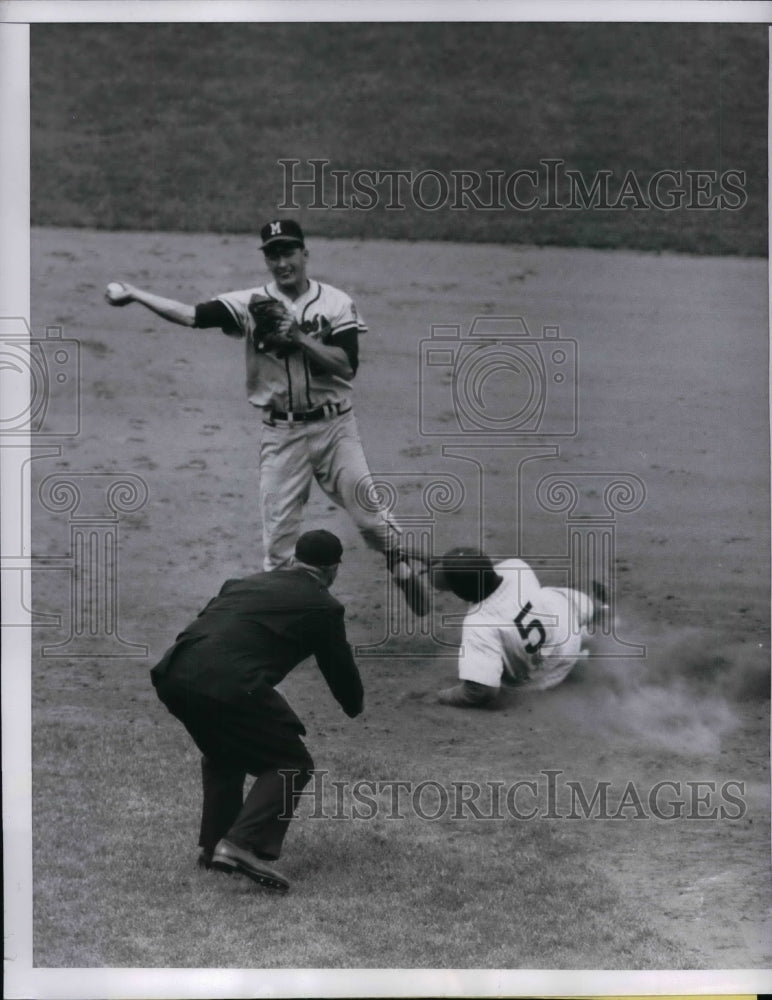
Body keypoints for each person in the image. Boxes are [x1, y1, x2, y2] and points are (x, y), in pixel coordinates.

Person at [106, 219, 429, 616]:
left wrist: (299, 338)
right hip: (282, 435)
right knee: (278, 545)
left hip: (335, 430)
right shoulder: (249, 303)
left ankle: (398, 561)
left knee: (372, 520)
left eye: (288, 252)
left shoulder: (337, 303)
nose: (281, 262)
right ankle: (288, 618)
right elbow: (191, 315)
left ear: (304, 254)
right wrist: (137, 294)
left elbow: (345, 367)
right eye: (273, 254)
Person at [150, 529, 363, 893]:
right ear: (332, 570)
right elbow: (338, 667)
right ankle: (238, 845)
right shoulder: (325, 606)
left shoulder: (243, 583)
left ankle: (214, 846)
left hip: (174, 672)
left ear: (295, 560)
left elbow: (213, 624)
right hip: (228, 681)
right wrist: (354, 704)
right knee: (291, 763)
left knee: (223, 752)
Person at [431, 546, 609, 708]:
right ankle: (596, 613)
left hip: (544, 678)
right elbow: (481, 569)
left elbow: (480, 691)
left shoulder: (478, 623)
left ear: (462, 592)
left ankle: (581, 661)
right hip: (568, 637)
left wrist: (443, 696)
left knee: (493, 668)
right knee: (553, 597)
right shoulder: (517, 568)